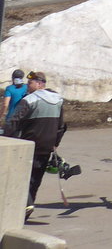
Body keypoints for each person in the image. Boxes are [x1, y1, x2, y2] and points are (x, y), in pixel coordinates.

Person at [3, 71, 66, 220]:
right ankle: (27, 207)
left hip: (29, 145)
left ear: (39, 83)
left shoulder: (29, 100)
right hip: (47, 146)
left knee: (21, 176)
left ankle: (26, 205)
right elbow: (61, 126)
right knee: (36, 178)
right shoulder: (58, 100)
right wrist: (55, 143)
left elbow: (13, 122)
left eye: (30, 83)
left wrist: (5, 139)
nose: (27, 86)